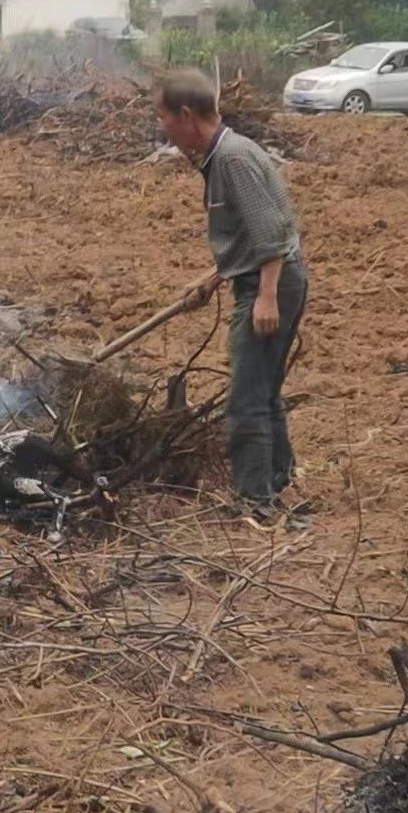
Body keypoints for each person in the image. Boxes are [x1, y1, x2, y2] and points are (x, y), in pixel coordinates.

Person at [153, 70, 309, 529]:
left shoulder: (234, 159)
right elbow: (251, 233)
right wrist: (213, 276)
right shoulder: (222, 154)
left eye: (162, 116)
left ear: (185, 115)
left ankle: (254, 501)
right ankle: (276, 480)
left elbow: (273, 233)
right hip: (263, 276)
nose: (160, 126)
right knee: (264, 391)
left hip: (271, 282)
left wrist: (264, 297)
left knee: (245, 399)